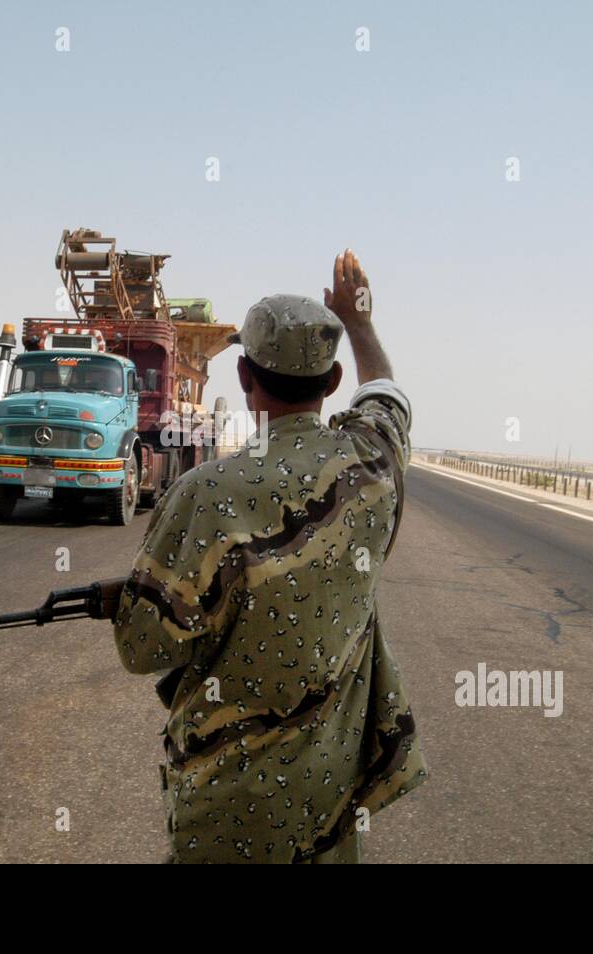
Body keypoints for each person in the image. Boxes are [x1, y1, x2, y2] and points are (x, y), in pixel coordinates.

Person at [111, 249, 426, 863]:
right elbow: (388, 398)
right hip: (330, 800)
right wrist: (359, 323)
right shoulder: (373, 465)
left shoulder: (203, 494)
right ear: (332, 383)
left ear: (244, 379)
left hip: (229, 805)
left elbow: (143, 648)